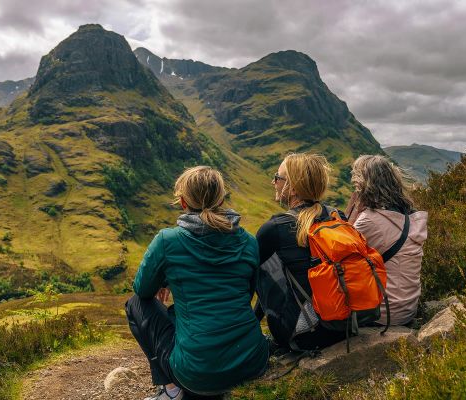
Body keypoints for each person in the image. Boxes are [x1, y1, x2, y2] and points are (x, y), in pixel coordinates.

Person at [125, 166, 269, 400]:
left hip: (196, 372)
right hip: (252, 360)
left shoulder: (168, 241)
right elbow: (247, 294)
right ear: (221, 199)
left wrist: (165, 279)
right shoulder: (248, 241)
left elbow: (142, 290)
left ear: (183, 202)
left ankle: (171, 390)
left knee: (135, 304)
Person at [254, 153, 346, 351]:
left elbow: (247, 278)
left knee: (263, 266)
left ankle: (255, 329)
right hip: (344, 324)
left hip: (304, 334)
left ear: (293, 188)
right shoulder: (338, 216)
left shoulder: (275, 228)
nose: (273, 182)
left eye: (277, 178)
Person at [346, 155, 428, 326]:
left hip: (383, 315)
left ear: (364, 185)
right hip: (406, 308)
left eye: (356, 182)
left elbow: (341, 249)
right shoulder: (408, 216)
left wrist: (354, 209)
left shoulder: (369, 221)